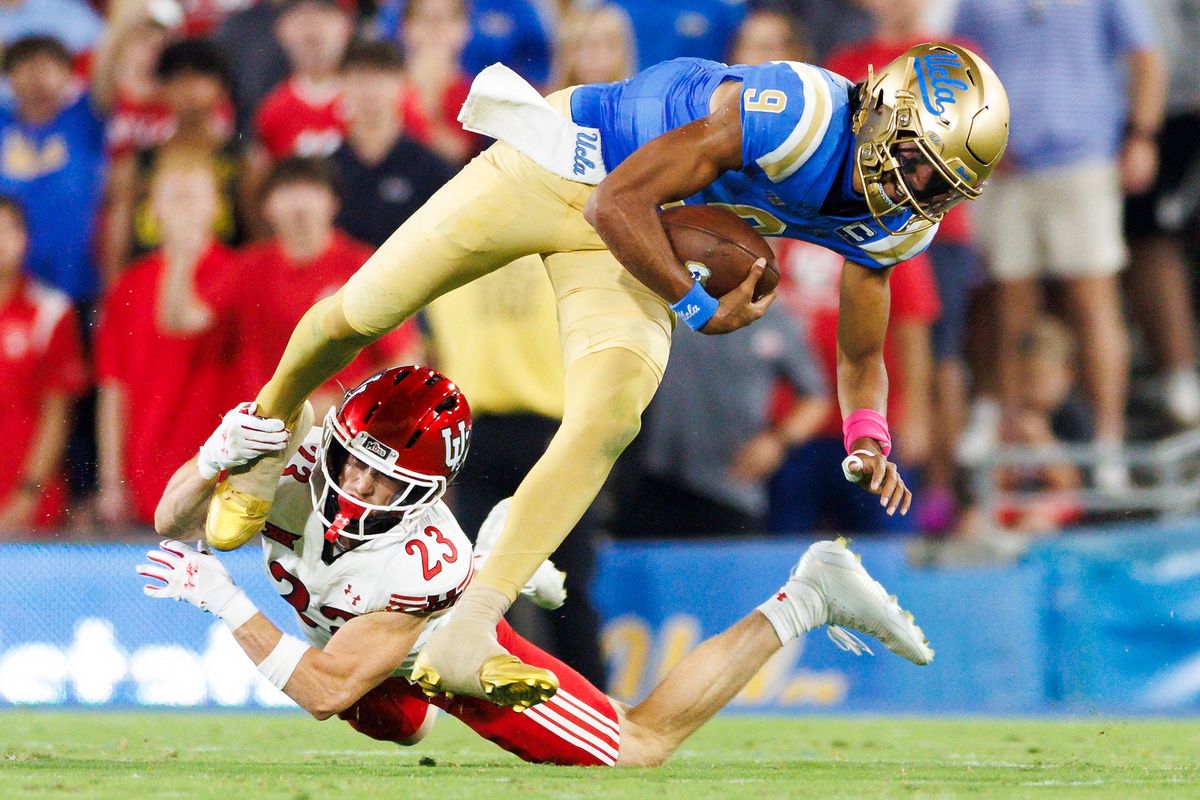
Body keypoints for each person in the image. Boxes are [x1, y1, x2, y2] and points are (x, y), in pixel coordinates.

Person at [205, 42, 1008, 709]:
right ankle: (264, 430)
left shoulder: (897, 221)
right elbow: (614, 202)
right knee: (363, 310)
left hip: (638, 235)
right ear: (880, 107)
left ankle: (470, 628)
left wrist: (867, 434)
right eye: (914, 158)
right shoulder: (793, 115)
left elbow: (865, 352)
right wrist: (696, 308)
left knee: (608, 417)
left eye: (941, 180)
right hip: (565, 170)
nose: (916, 188)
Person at [142, 365, 932, 766]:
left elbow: (323, 691)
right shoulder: (300, 456)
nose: (356, 486)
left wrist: (225, 600)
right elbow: (169, 517)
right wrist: (215, 457)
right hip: (368, 648)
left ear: (426, 491)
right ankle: (507, 556)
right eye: (352, 463)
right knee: (403, 724)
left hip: (434, 644)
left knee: (637, 745)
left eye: (385, 479)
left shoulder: (417, 559)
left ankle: (810, 592)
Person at [952, 0, 1164, 493]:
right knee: (1010, 304)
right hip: (1004, 165)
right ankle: (1015, 440)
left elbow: (1146, 57)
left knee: (1094, 300)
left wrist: (1142, 134)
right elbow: (958, 66)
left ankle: (1108, 445)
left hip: (1084, 155)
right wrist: (975, 139)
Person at [95, 146, 243, 527]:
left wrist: (181, 261)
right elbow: (114, 389)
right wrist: (112, 481)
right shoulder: (127, 286)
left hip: (221, 482)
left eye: (194, 196)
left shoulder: (240, 275)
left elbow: (184, 319)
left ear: (216, 206)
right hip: (145, 480)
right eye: (174, 197)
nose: (185, 209)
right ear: (153, 208)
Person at [233, 156, 413, 415]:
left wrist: (336, 402)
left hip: (346, 430)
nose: (299, 205)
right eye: (286, 191)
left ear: (334, 202)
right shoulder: (248, 269)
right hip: (267, 434)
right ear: (265, 207)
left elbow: (404, 361)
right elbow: (186, 321)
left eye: (312, 190)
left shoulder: (364, 266)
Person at [0, 196, 87, 534]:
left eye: (9, 229)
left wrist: (28, 492)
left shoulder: (52, 312)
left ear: (26, 239)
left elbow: (57, 412)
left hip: (29, 501)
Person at [0, 36, 107, 304]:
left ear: (69, 74)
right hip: (10, 290)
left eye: (49, 66)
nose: (38, 76)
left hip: (80, 284)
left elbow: (112, 57)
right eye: (26, 65)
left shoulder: (87, 115)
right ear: (9, 77)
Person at [331, 40, 457, 249]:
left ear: (404, 84)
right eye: (360, 79)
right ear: (341, 84)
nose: (370, 91)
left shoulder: (431, 169)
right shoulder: (328, 170)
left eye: (381, 79)